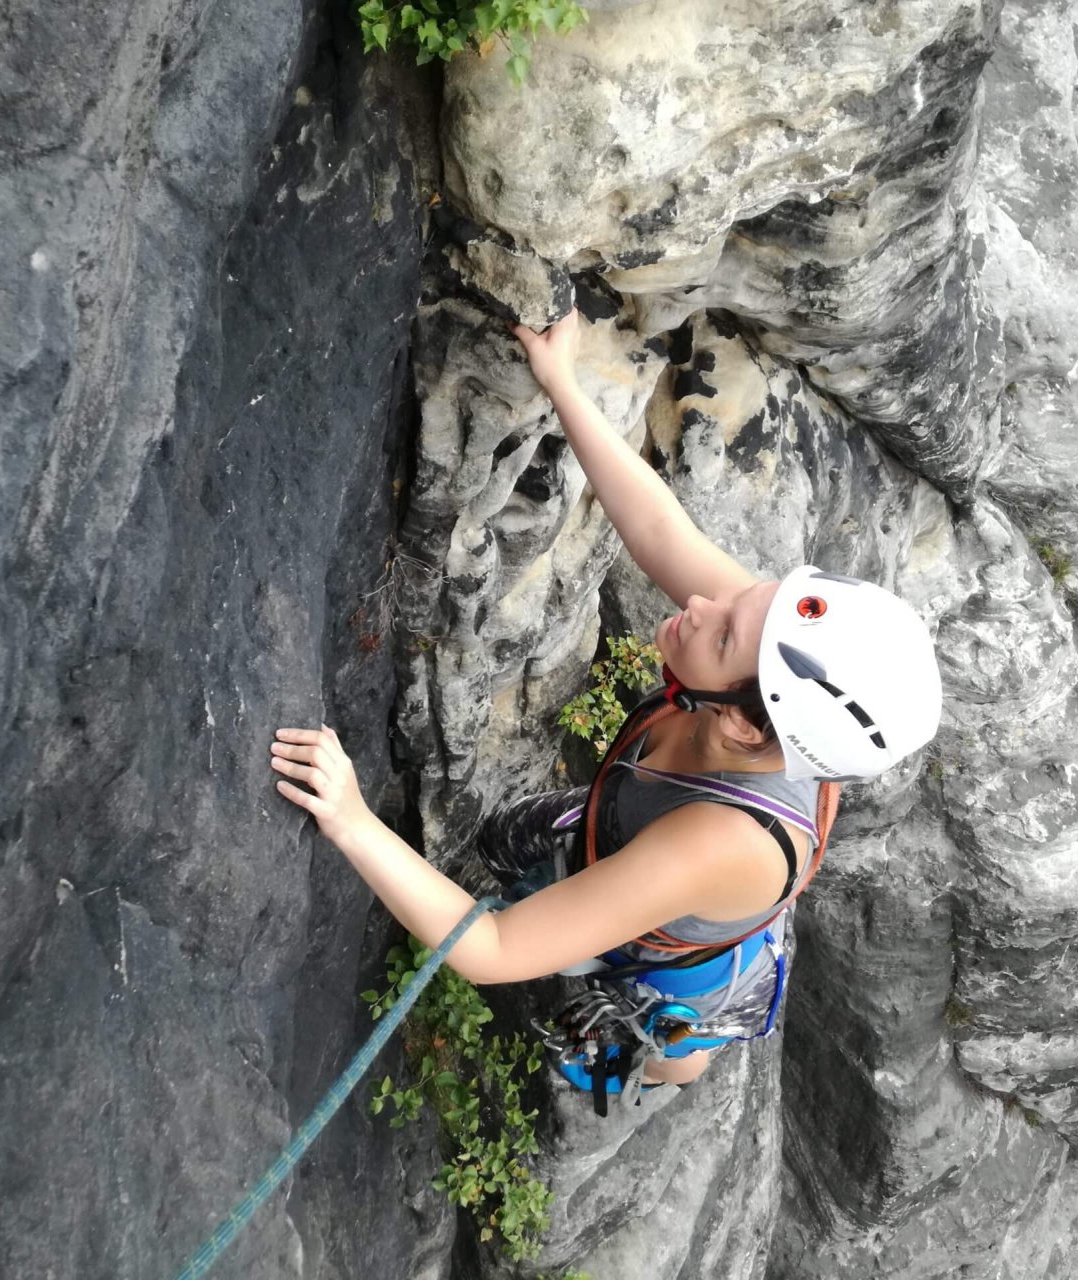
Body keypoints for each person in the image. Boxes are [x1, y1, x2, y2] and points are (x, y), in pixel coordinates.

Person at [271, 309, 942, 1089]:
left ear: (739, 721)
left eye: (724, 634)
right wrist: (562, 384)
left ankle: (673, 1060)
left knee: (669, 1036)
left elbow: (494, 950)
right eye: (742, 600)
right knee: (518, 843)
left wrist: (350, 820)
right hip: (662, 845)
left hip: (690, 917)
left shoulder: (714, 840)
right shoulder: (767, 681)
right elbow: (658, 530)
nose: (703, 604)